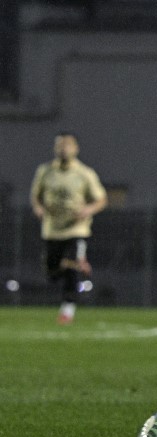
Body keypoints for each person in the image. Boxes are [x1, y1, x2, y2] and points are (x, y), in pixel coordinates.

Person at [30, 132, 107, 324]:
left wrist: (88, 209)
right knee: (52, 271)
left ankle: (67, 310)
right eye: (60, 145)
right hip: (52, 229)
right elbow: (35, 196)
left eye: (67, 145)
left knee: (72, 267)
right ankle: (77, 264)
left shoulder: (84, 173)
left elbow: (101, 199)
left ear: (76, 148)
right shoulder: (45, 171)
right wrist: (38, 208)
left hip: (76, 229)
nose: (63, 149)